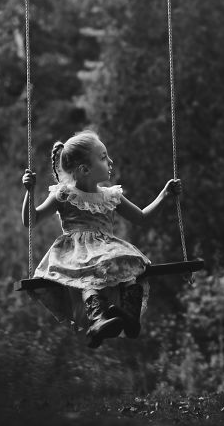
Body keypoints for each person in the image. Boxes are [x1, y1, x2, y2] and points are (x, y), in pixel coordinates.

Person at [21, 129, 183, 348]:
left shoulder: (111, 196)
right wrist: (29, 192)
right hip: (76, 253)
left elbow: (142, 218)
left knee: (128, 268)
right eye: (103, 156)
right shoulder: (63, 194)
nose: (110, 160)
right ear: (85, 169)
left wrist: (164, 195)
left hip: (107, 249)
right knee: (88, 277)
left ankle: (128, 316)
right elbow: (31, 220)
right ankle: (98, 318)